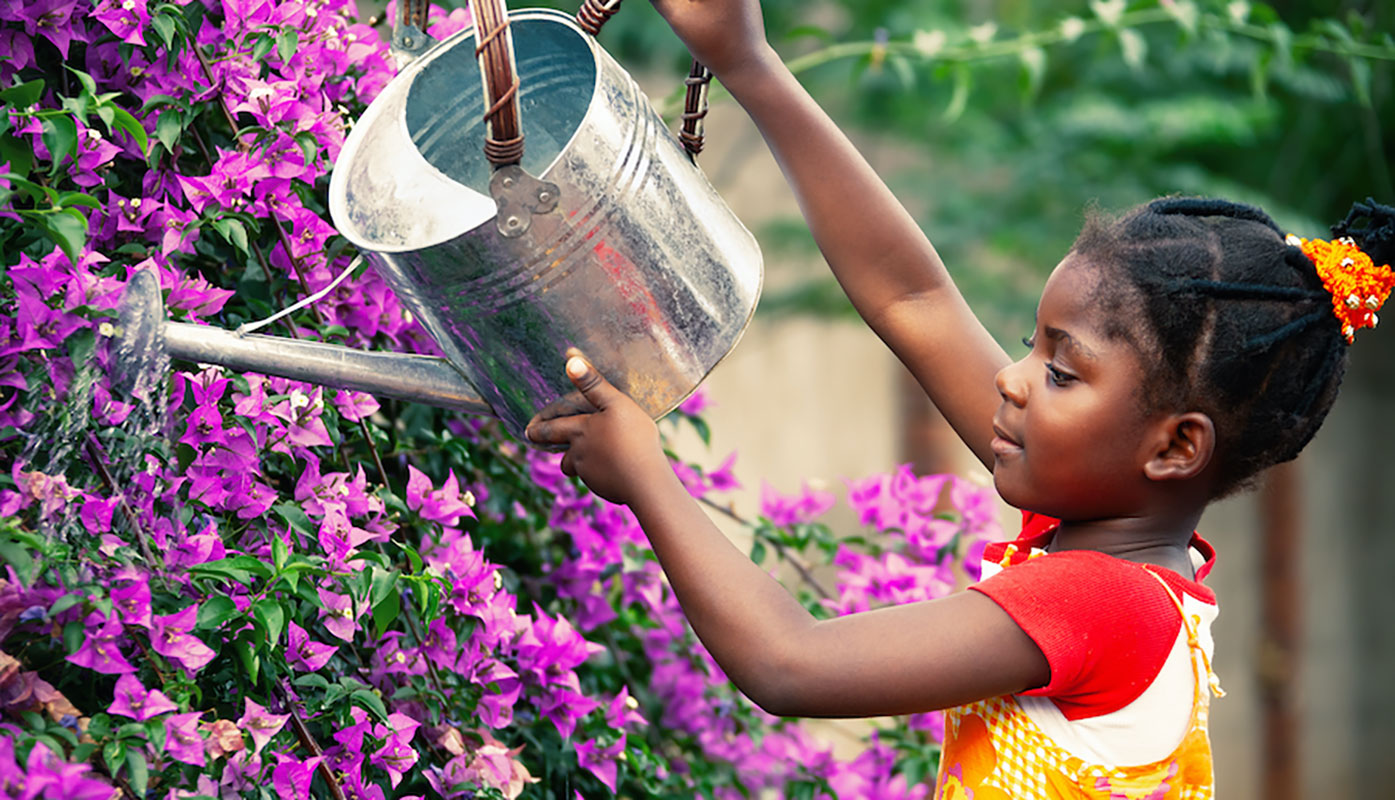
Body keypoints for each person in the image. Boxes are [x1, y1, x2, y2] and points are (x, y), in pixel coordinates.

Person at [525, 1, 1395, 795]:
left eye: (1061, 372)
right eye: (1031, 348)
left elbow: (789, 666)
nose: (1012, 381)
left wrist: (647, 476)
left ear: (1172, 448)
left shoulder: (1102, 601)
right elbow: (915, 302)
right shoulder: (1114, 539)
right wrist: (749, 63)